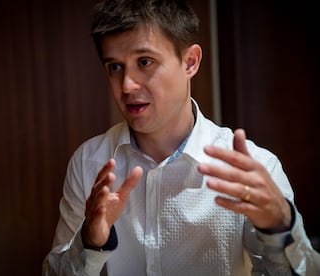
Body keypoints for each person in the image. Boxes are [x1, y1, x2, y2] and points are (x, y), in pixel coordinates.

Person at [42, 0, 320, 275]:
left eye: (144, 62)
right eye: (115, 66)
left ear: (190, 62)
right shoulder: (90, 162)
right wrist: (89, 244)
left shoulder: (254, 167)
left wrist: (281, 229)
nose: (127, 85)